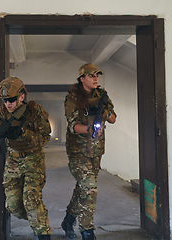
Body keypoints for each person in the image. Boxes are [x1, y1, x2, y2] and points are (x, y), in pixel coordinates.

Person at [0, 77, 53, 240]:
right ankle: (38, 219)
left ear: (22, 96)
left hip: (33, 160)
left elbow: (44, 138)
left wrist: (23, 133)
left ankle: (43, 233)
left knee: (31, 200)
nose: (8, 104)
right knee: (13, 205)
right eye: (5, 100)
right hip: (13, 161)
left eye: (12, 99)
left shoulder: (35, 111)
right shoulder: (1, 114)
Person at [62, 63, 117, 240]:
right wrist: (89, 129)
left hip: (96, 151)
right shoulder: (72, 98)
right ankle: (87, 231)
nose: (95, 78)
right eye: (91, 75)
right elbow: (72, 126)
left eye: (97, 75)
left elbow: (114, 119)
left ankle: (69, 220)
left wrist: (105, 112)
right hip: (78, 152)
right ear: (82, 78)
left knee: (83, 188)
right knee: (90, 188)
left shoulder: (102, 95)